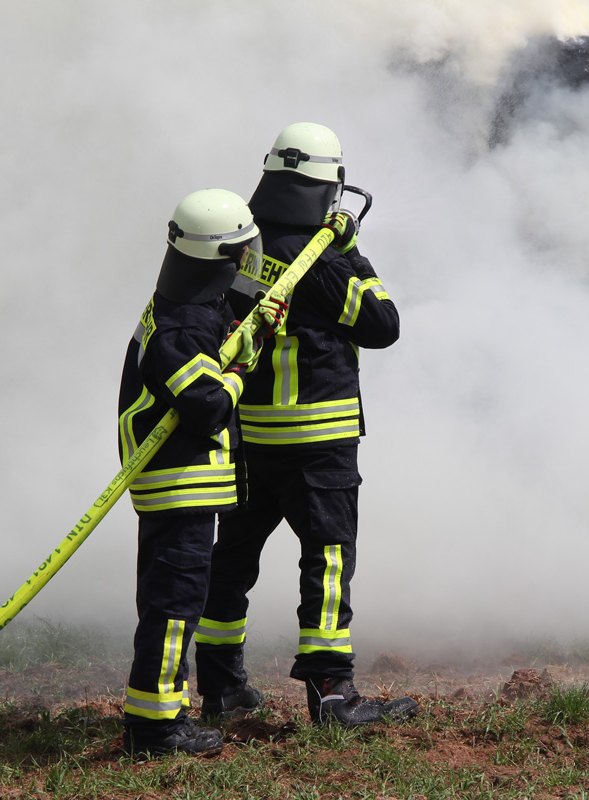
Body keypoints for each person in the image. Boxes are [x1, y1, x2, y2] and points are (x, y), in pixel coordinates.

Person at [194, 123, 418, 726]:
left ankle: (219, 686)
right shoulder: (317, 257)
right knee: (327, 559)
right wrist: (350, 252)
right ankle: (332, 692)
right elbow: (383, 324)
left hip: (250, 434)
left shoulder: (242, 243)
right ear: (326, 188)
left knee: (232, 557)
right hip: (317, 439)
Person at [118, 188, 282, 757]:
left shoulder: (188, 304)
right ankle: (155, 728)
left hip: (183, 485)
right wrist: (241, 367)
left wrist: (252, 325)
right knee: (174, 607)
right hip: (177, 486)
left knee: (177, 603)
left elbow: (220, 323)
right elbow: (207, 405)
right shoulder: (181, 326)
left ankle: (161, 717)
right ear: (223, 257)